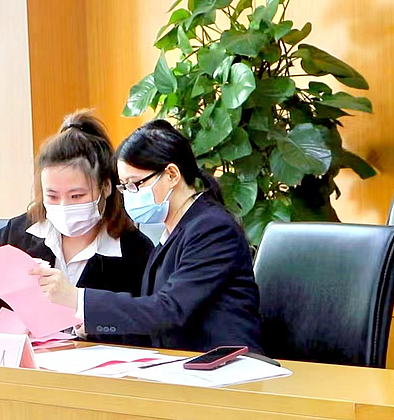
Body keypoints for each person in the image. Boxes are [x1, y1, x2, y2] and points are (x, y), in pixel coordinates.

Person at [0, 110, 154, 342]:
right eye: (52, 196)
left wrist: (93, 323)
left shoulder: (134, 250)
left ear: (106, 187)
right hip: (22, 359)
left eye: (77, 196)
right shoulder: (19, 233)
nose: (63, 205)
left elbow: (148, 327)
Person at [36, 119, 262, 352]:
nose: (129, 195)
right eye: (124, 187)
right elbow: (152, 324)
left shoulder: (213, 229)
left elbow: (170, 310)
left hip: (227, 363)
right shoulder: (172, 231)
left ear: (172, 174)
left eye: (135, 184)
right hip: (182, 363)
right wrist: (92, 327)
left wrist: (78, 299)